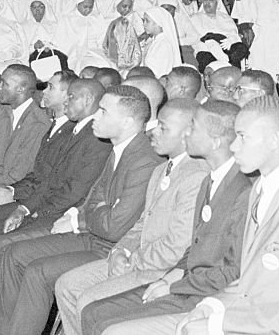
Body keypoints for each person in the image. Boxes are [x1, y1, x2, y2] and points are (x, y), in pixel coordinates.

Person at [107, 95, 279, 335]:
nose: (233, 147)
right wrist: (212, 306)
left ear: (275, 140)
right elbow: (249, 278)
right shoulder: (260, 188)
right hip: (240, 313)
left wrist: (218, 324)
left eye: (242, 137)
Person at [0, 85, 161, 334]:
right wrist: (86, 213)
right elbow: (95, 200)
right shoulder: (119, 148)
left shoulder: (144, 159)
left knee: (38, 271)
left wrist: (81, 219)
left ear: (127, 121)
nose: (96, 117)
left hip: (112, 247)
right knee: (15, 253)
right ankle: (2, 328)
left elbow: (114, 225)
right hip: (93, 235)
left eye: (104, 112)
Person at [0, 75, 111, 322]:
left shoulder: (93, 137)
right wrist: (24, 207)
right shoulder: (76, 131)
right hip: (41, 201)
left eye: (69, 96)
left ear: (85, 99)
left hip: (64, 214)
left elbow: (74, 191)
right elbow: (48, 179)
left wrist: (31, 210)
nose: (65, 100)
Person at [80, 100, 251, 335]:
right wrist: (127, 252)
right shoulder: (211, 179)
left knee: (106, 322)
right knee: (94, 314)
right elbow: (195, 245)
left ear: (215, 141)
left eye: (193, 128)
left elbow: (230, 267)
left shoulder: (239, 188)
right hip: (180, 277)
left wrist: (172, 282)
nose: (186, 134)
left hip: (201, 291)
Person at [53, 99, 209, 335]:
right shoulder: (161, 169)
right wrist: (120, 251)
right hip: (136, 258)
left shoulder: (196, 176)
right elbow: (142, 223)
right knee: (67, 285)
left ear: (188, 133)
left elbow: (177, 247)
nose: (152, 132)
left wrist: (131, 261)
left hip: (160, 270)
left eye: (163, 128)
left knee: (88, 300)